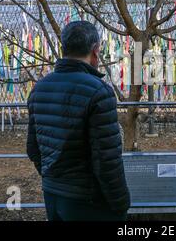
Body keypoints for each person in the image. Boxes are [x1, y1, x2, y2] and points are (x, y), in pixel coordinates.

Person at [26, 21, 130, 221]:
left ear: (63, 48)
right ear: (95, 50)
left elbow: (33, 148)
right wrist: (120, 203)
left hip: (53, 196)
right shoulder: (99, 91)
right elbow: (106, 160)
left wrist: (53, 180)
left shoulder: (39, 88)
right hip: (88, 202)